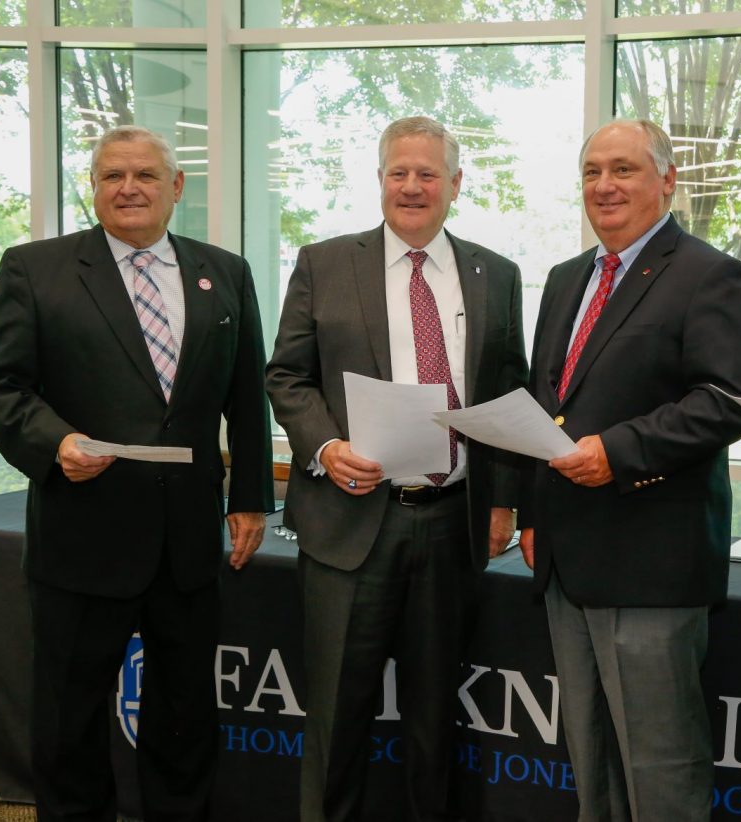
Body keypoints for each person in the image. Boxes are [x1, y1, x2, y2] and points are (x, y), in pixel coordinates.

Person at [0, 124, 274, 821]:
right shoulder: (33, 269)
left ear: (176, 188)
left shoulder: (225, 271)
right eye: (111, 176)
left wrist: (251, 498)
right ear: (94, 187)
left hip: (187, 543)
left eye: (143, 175)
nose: (128, 188)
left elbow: (245, 397)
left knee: (185, 716)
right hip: (82, 536)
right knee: (70, 721)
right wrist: (56, 441)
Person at [265, 115, 528, 821]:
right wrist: (324, 448)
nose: (412, 186)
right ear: (380, 179)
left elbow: (508, 393)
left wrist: (504, 502)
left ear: (455, 184)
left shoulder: (495, 275)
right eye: (398, 172)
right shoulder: (325, 262)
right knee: (336, 723)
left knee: (435, 720)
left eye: (428, 174)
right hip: (350, 525)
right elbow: (287, 376)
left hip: (453, 526)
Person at [517, 118, 741, 820]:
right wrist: (535, 513)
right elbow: (553, 404)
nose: (605, 186)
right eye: (593, 171)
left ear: (666, 181)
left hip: (652, 561)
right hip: (567, 560)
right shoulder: (569, 279)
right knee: (591, 766)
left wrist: (619, 452)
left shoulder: (710, 274)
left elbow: (736, 399)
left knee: (659, 773)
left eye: (624, 169)